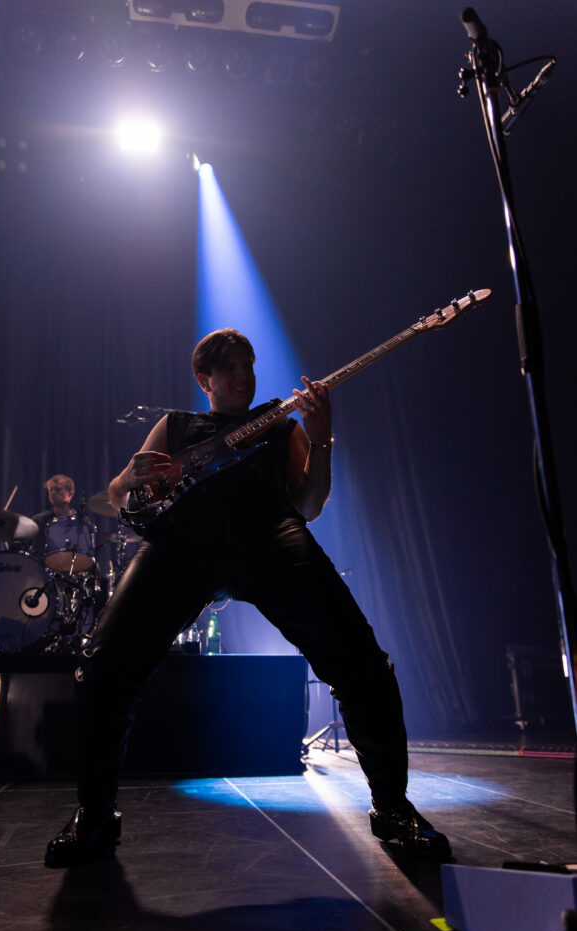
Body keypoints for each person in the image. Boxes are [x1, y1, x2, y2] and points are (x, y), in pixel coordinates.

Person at [45, 329, 451, 868]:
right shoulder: (177, 426)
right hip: (183, 543)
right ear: (204, 381)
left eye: (248, 365)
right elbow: (119, 492)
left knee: (364, 666)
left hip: (271, 538)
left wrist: (322, 435)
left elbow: (308, 505)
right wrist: (144, 486)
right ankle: (95, 817)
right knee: (101, 669)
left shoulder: (281, 426)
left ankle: (393, 810)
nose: (243, 375)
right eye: (229, 368)